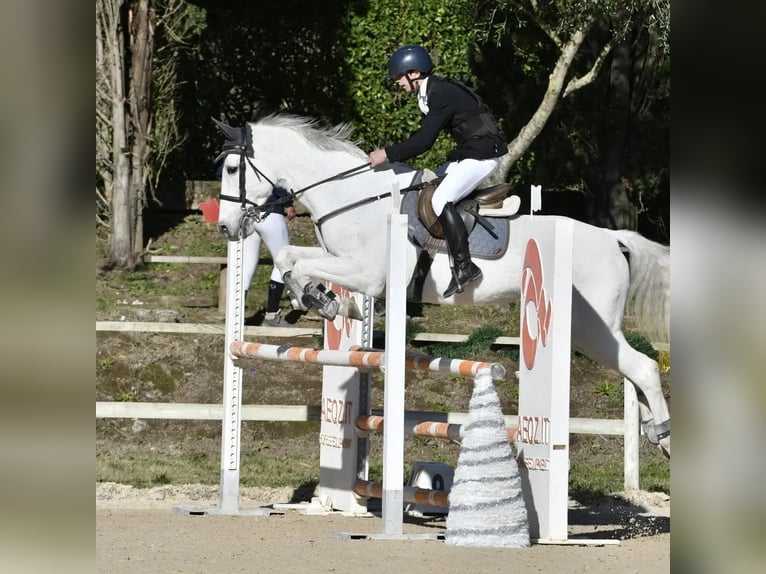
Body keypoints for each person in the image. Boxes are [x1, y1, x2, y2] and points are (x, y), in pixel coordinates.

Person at [368, 45, 507, 297]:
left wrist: (386, 154)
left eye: (399, 77)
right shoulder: (432, 91)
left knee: (441, 198)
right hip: (470, 152)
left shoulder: (440, 92)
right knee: (427, 187)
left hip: (485, 154)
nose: (397, 83)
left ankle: (465, 267)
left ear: (414, 72)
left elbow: (424, 141)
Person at [241, 186, 296, 326]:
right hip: (270, 212)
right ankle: (272, 315)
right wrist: (288, 203)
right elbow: (275, 182)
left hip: (248, 214)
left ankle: (236, 315)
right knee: (283, 262)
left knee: (246, 266)